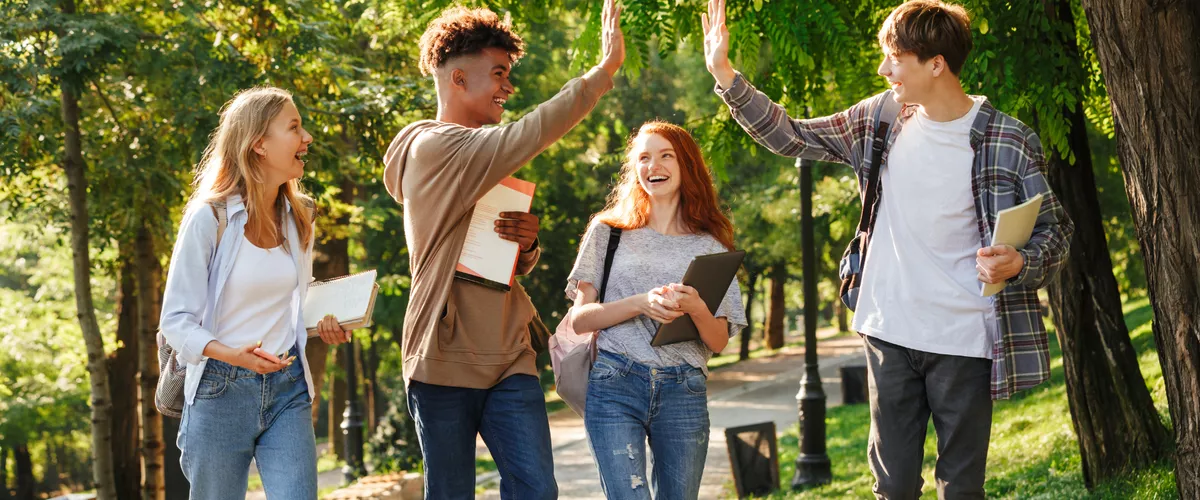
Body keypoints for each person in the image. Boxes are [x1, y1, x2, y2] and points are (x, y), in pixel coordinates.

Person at [701, 0, 1073, 497]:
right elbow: (794, 137)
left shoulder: (1007, 138)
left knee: (961, 486)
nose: (883, 70)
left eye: (894, 59)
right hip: (888, 330)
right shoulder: (881, 119)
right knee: (893, 487)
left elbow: (1056, 230)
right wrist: (725, 75)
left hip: (964, 338)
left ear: (936, 64)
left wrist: (1022, 261)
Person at [379, 2, 625, 498]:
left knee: (536, 489)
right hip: (443, 356)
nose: (507, 87)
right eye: (497, 74)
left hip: (509, 353)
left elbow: (494, 260)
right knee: (450, 493)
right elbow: (529, 133)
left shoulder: (479, 157)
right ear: (457, 81)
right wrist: (602, 73)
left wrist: (526, 243)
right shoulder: (434, 147)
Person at [159, 86, 352, 499]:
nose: (307, 138)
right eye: (295, 128)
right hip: (219, 390)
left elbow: (293, 296)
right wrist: (232, 355)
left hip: (287, 386)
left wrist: (328, 320)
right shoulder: (209, 218)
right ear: (259, 144)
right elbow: (175, 321)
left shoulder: (298, 217)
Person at [565, 120, 747, 499]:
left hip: (684, 388)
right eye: (644, 158)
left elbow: (717, 341)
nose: (653, 166)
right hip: (615, 381)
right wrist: (640, 303)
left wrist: (696, 307)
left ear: (687, 167)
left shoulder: (712, 246)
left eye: (666, 156)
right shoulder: (608, 232)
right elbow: (581, 320)